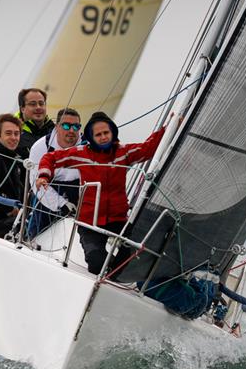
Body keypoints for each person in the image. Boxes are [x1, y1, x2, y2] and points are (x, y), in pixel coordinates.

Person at [36, 111, 167, 275]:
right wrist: (43, 175)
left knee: (135, 254)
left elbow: (149, 148)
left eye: (106, 133)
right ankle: (107, 272)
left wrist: (169, 126)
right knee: (96, 263)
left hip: (118, 219)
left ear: (113, 132)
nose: (103, 137)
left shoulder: (123, 153)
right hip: (90, 222)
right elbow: (51, 158)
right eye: (98, 134)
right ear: (91, 137)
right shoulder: (81, 153)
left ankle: (113, 276)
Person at [26, 108, 82, 238]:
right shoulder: (40, 147)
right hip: (47, 190)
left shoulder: (87, 146)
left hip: (78, 191)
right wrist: (61, 204)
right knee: (36, 231)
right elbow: (36, 184)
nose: (72, 130)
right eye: (66, 126)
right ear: (57, 127)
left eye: (76, 126)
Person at [15, 88, 55, 157]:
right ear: (22, 109)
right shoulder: (12, 133)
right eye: (33, 104)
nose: (38, 107)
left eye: (41, 103)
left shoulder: (56, 131)